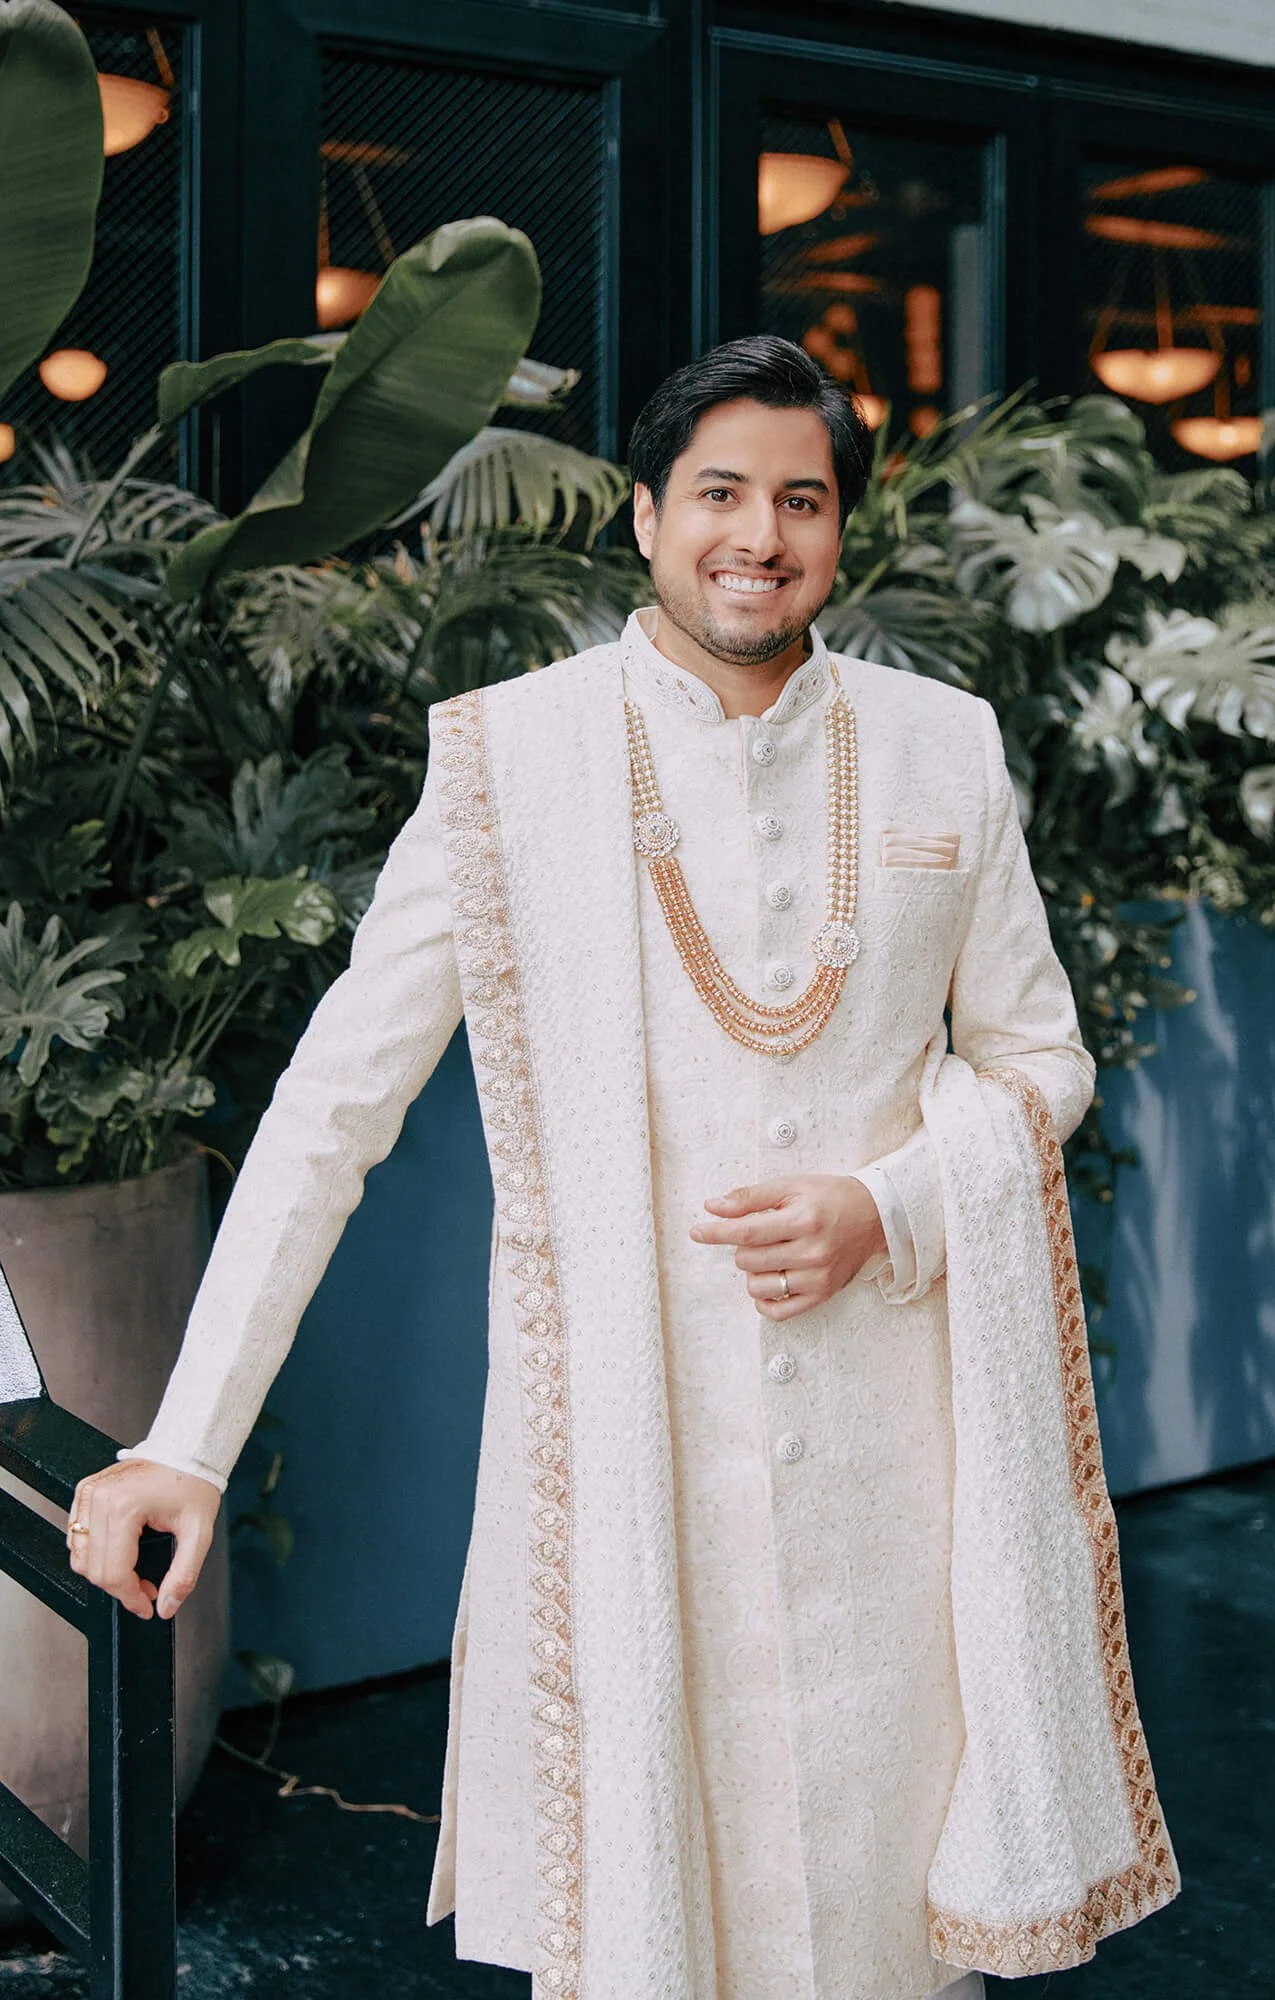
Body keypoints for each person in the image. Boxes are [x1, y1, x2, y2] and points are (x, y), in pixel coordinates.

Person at [65, 336, 1178, 2000]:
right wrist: (187, 1444)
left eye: (802, 499)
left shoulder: (944, 744)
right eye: (720, 492)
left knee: (895, 1926)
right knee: (654, 1915)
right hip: (631, 1455)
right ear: (648, 515)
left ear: (839, 532)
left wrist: (893, 1207)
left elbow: (1042, 1061)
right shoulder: (513, 762)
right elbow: (330, 1110)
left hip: (901, 1467)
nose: (761, 534)